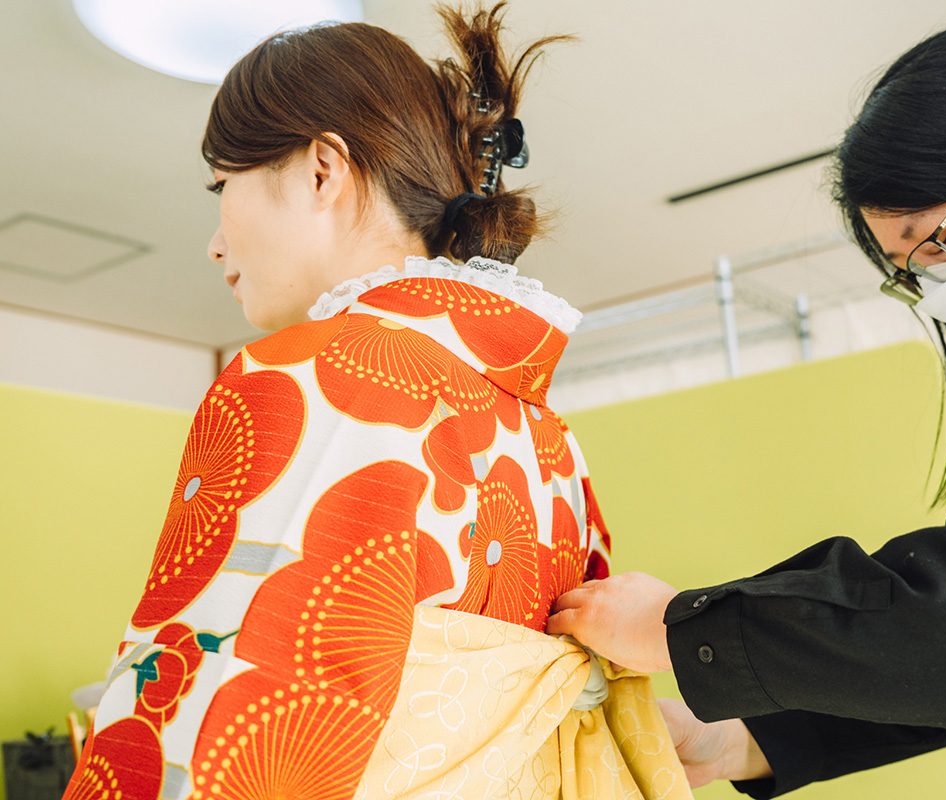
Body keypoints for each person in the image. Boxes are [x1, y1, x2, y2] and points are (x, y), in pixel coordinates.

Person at [548, 18, 946, 799]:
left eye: (938, 238)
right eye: (910, 268)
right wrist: (742, 736)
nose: (940, 281)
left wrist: (691, 632)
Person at [64, 6, 690, 800]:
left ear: (322, 169)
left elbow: (224, 703)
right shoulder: (544, 430)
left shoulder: (313, 375)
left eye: (224, 185)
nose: (215, 242)